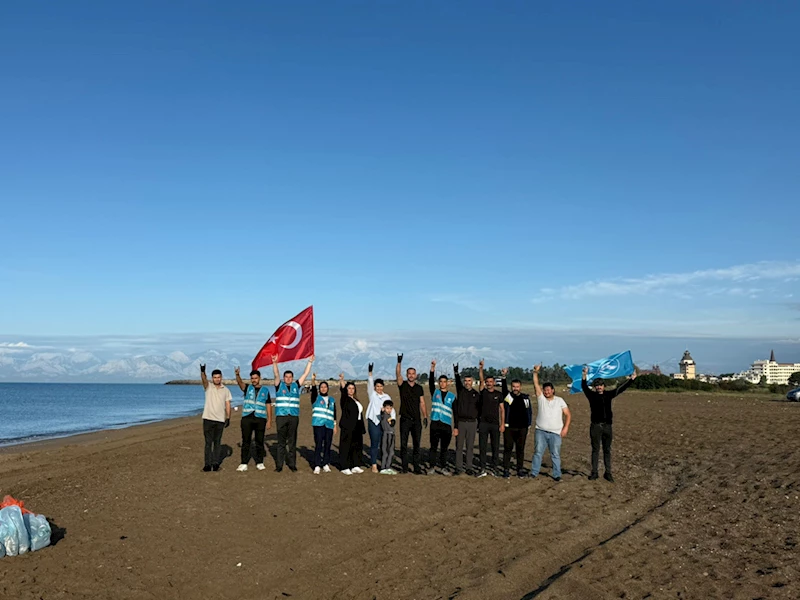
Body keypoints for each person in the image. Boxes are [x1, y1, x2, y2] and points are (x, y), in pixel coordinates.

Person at [581, 365, 637, 482]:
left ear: (604, 386)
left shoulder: (609, 395)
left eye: (601, 385)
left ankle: (608, 473)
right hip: (595, 426)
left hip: (607, 426)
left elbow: (621, 388)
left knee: (607, 450)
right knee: (595, 450)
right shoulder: (591, 395)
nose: (599, 387)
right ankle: (594, 472)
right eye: (597, 386)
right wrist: (584, 375)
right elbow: (584, 387)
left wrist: (632, 379)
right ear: (595, 387)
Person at [271, 354, 314, 472]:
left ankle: (292, 464)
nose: (288, 378)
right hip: (281, 416)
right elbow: (276, 374)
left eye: (290, 377)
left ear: (292, 378)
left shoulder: (296, 385)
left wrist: (309, 362)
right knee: (281, 442)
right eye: (286, 377)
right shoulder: (279, 385)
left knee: (292, 442)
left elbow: (305, 374)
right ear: (284, 378)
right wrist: (275, 363)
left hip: (293, 417)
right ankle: (279, 465)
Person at [530, 364, 572, 481]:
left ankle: (557, 474)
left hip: (556, 433)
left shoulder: (560, 400)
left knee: (555, 454)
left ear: (553, 390)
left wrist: (566, 428)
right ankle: (534, 472)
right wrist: (535, 372)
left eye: (549, 390)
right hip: (540, 431)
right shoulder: (541, 399)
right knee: (538, 452)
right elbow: (536, 384)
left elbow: (568, 414)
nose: (547, 391)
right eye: (545, 390)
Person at [234, 367, 273, 472]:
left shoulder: (265, 390)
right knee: (246, 441)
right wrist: (237, 375)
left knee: (259, 441)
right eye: (252, 378)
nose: (254, 380)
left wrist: (269, 420)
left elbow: (268, 405)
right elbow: (240, 384)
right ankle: (244, 463)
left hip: (260, 418)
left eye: (256, 378)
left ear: (259, 378)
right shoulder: (247, 388)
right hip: (247, 417)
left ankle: (260, 462)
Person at [395, 354, 428, 474]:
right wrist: (399, 362)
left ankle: (416, 467)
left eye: (413, 374)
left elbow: (422, 403)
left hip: (416, 420)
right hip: (404, 419)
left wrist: (425, 416)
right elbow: (398, 375)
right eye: (409, 373)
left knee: (416, 445)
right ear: (407, 375)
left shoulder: (419, 388)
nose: (411, 375)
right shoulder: (402, 385)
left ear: (416, 375)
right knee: (403, 445)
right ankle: (404, 467)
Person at [200, 364, 232, 472]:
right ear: (212, 378)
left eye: (218, 377)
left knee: (217, 442)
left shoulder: (225, 390)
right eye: (215, 377)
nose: (217, 379)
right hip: (208, 418)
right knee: (208, 443)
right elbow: (204, 380)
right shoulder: (208, 387)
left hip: (220, 420)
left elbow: (227, 404)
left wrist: (228, 417)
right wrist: (203, 372)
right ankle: (207, 465)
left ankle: (215, 464)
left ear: (221, 378)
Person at [501, 369, 532, 479]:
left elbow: (529, 411)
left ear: (520, 387)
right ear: (511, 387)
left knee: (520, 450)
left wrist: (529, 425)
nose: (515, 388)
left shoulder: (525, 398)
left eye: (517, 386)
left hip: (522, 428)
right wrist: (503, 376)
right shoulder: (509, 397)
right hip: (510, 428)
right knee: (508, 449)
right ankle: (506, 469)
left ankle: (520, 469)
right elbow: (504, 390)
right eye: (514, 386)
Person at [427, 360, 455, 475]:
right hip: (435, 423)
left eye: (445, 381)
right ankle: (432, 467)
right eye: (441, 381)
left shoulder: (452, 396)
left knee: (444, 448)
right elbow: (430, 382)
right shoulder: (435, 392)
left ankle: (443, 467)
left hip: (446, 424)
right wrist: (432, 369)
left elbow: (456, 412)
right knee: (433, 447)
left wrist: (456, 426)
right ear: (439, 383)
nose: (443, 383)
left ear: (448, 383)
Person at [477, 360, 504, 477]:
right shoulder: (482, 392)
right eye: (487, 382)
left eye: (491, 382)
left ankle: (494, 468)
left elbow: (502, 410)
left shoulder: (499, 395)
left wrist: (502, 424)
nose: (489, 383)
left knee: (495, 447)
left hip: (495, 424)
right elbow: (481, 380)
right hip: (483, 423)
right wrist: (481, 369)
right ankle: (482, 468)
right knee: (482, 447)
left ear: (494, 383)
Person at [453, 363, 481, 475]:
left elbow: (479, 410)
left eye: (469, 381)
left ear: (472, 381)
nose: (467, 383)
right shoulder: (461, 391)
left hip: (472, 423)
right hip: (461, 422)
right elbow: (457, 383)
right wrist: (456, 372)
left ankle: (469, 467)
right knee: (459, 446)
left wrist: (478, 424)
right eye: (466, 381)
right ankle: (458, 467)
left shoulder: (476, 394)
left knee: (469, 446)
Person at [366, 362, 393, 473]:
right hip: (374, 421)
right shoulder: (372, 395)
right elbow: (370, 384)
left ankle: (384, 464)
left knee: (384, 444)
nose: (379, 388)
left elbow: (392, 409)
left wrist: (392, 420)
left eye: (381, 386)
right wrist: (370, 373)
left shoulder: (387, 396)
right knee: (374, 443)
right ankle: (373, 465)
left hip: (384, 423)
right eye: (377, 386)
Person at [338, 373, 366, 475]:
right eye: (349, 388)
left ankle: (355, 465)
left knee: (356, 446)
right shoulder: (345, 399)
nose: (351, 390)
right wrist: (342, 380)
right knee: (346, 446)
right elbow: (342, 390)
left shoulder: (356, 400)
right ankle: (344, 466)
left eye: (352, 388)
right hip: (347, 426)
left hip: (357, 426)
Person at [310, 374, 338, 474]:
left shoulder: (332, 400)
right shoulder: (315, 398)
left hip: (329, 425)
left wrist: (335, 425)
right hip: (318, 424)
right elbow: (313, 390)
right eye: (321, 387)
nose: (323, 388)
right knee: (318, 445)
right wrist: (313, 380)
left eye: (325, 387)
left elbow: (334, 413)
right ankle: (317, 465)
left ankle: (325, 463)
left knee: (327, 444)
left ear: (327, 388)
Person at [379, 400, 398, 475]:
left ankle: (388, 466)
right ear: (384, 408)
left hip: (391, 434)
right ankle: (383, 467)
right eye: (387, 408)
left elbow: (392, 424)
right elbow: (382, 415)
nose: (389, 410)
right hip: (386, 435)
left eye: (390, 408)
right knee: (385, 451)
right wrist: (382, 411)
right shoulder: (384, 415)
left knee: (391, 452)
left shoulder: (390, 416)